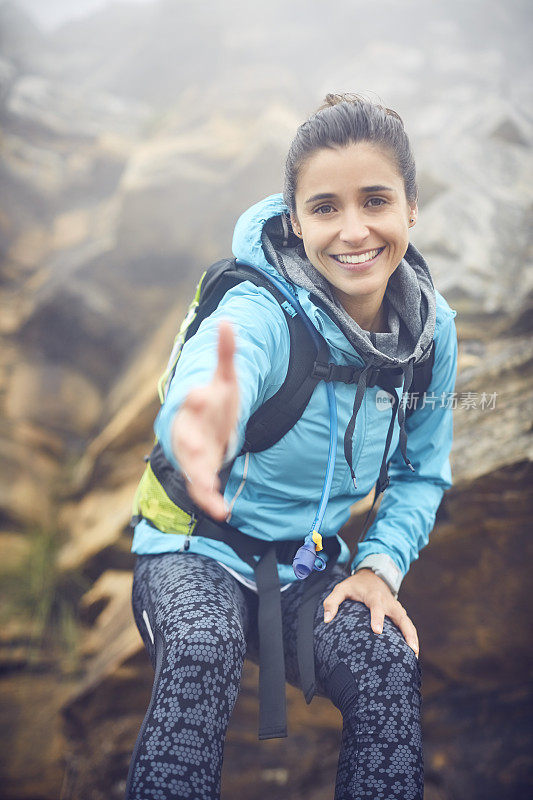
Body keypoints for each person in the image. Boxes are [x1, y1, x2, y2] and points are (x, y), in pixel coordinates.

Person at [125, 93, 457, 800]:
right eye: (325, 207)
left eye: (375, 200)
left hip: (307, 567)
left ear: (410, 209)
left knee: (385, 665)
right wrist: (201, 422)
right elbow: (222, 368)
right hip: (193, 546)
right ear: (294, 218)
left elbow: (419, 471)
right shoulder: (261, 309)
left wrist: (378, 567)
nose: (353, 230)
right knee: (201, 647)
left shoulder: (429, 335)